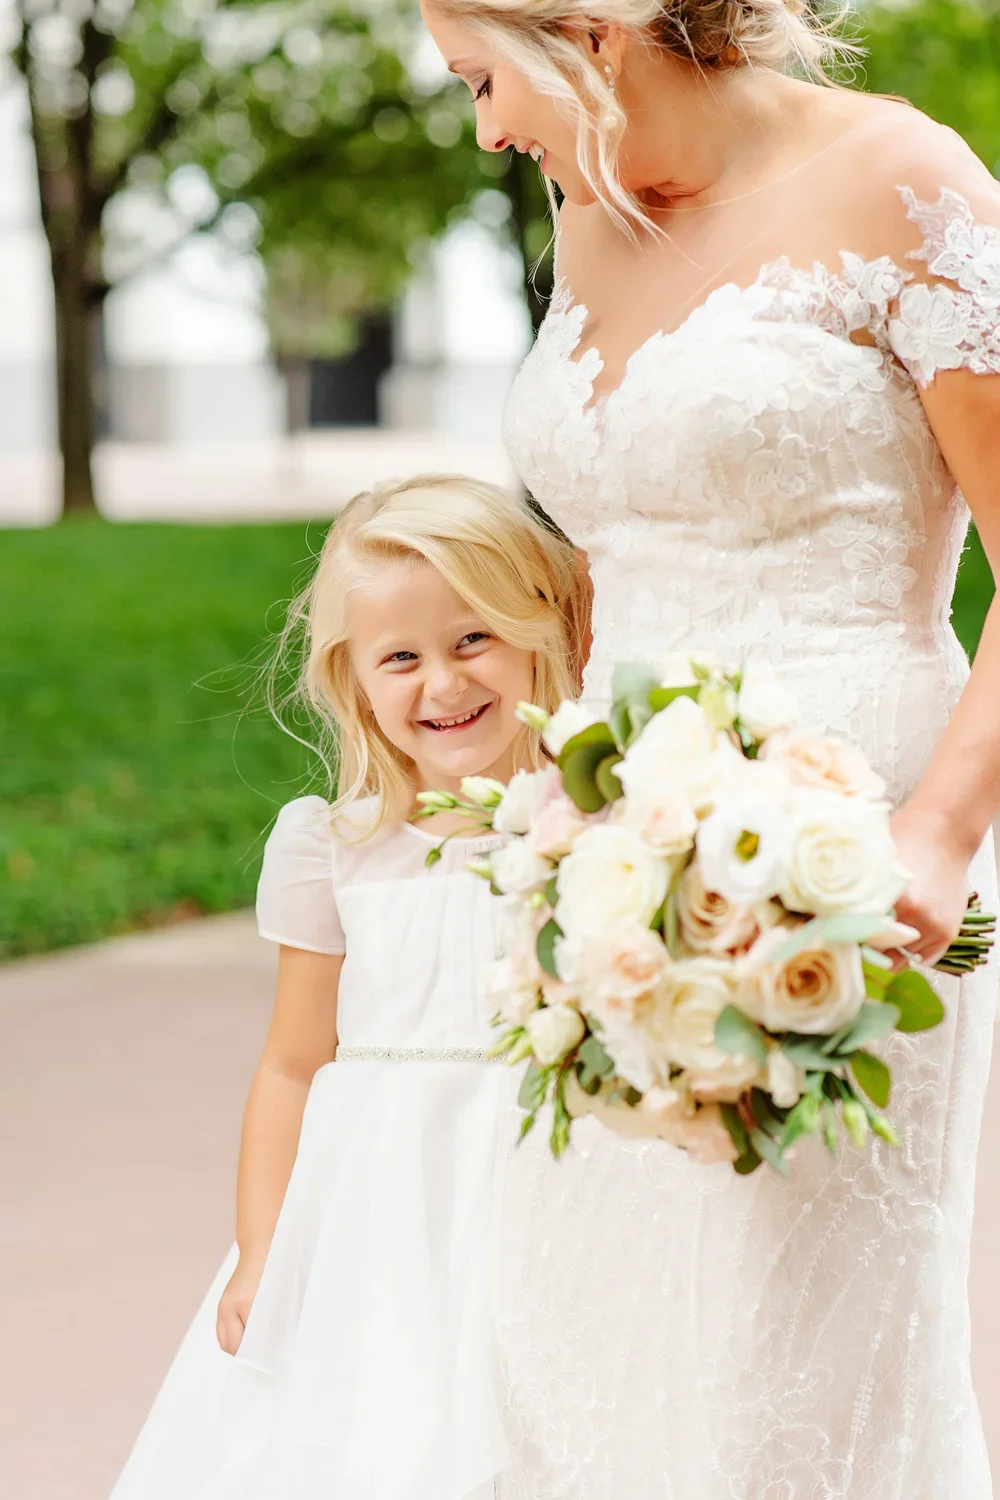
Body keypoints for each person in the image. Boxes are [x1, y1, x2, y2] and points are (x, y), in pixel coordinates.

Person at [416, 2, 1000, 1496]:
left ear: (591, 34)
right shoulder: (589, 209)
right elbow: (621, 542)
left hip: (851, 862)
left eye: (486, 79)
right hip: (608, 881)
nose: (488, 127)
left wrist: (934, 831)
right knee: (576, 1320)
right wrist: (548, 796)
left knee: (784, 1351)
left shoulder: (905, 181)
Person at [107, 473, 584, 1500]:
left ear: (540, 627)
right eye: (399, 658)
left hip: (546, 1187)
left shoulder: (594, 825)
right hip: (376, 1210)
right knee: (378, 1436)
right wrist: (258, 1249)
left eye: (473, 640)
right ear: (351, 677)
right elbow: (290, 1063)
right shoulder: (336, 848)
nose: (443, 684)